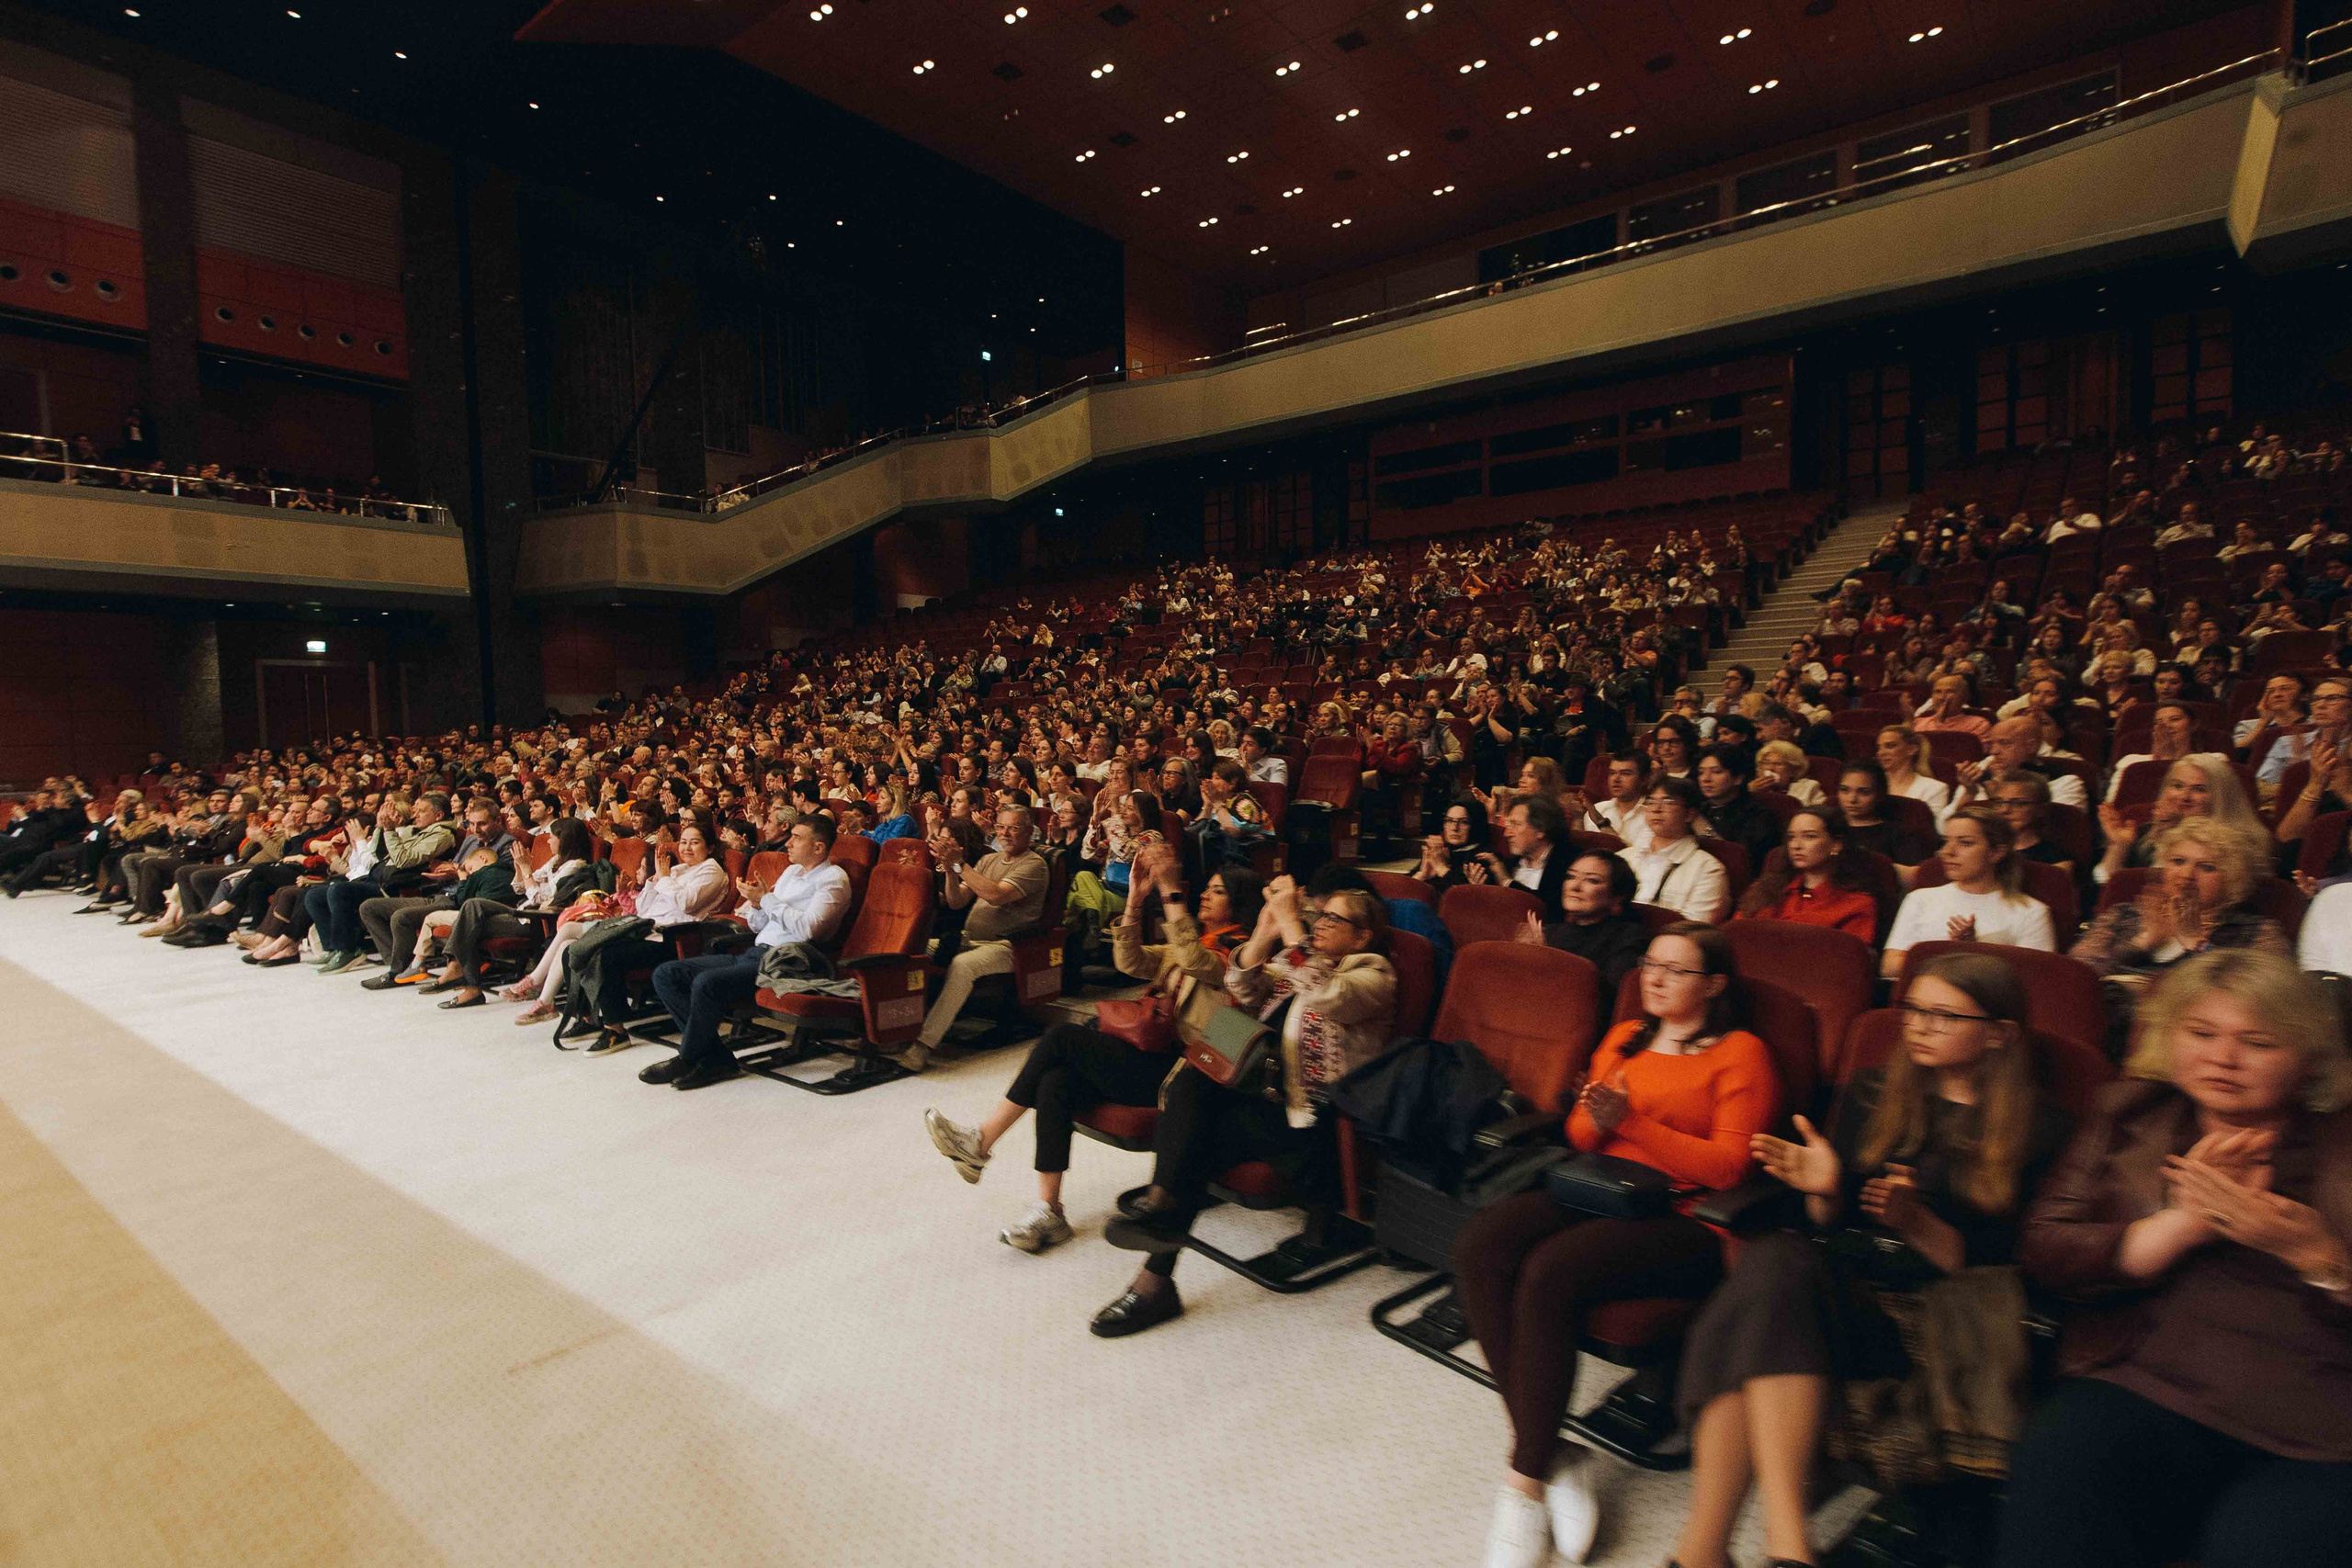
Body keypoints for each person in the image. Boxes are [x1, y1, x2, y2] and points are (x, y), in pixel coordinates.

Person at [1672, 953, 2069, 1568]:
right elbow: (1830, 1227)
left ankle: (1705, 1554)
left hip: (1936, 1318)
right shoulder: (1873, 1090)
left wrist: (1918, 1221)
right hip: (1850, 1289)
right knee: (1777, 1261)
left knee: (1756, 1304)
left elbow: (2019, 1262)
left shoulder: (2041, 1127)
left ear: (2000, 1032)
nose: (1919, 1025)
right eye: (1913, 1008)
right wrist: (1825, 1189)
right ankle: (1783, 1548)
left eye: (1943, 1014)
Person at [1997, 952, 2352, 1568]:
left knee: (2261, 1544)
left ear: (2307, 1057)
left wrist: (2316, 1254)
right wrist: (2178, 1228)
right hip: (2148, 1383)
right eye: (2201, 1033)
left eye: (2258, 1041)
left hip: (2321, 1426)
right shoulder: (2129, 1112)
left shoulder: (2340, 1140)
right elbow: (2045, 1250)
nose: (2222, 1058)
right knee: (2062, 1462)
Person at [1459, 924, 1779, 1568]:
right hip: (1602, 1186)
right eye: (1649, 963)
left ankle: (1524, 1483)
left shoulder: (1741, 1052)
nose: (1653, 978)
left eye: (1675, 969)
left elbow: (1726, 1168)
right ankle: (1553, 1447)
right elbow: (1580, 1136)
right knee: (1479, 1247)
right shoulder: (1624, 1037)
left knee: (1549, 1272)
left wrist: (1631, 1120)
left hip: (1689, 1216)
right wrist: (1599, 1116)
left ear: (1714, 984)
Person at [1092, 880, 1396, 1338]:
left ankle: (1157, 1252)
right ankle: (1158, 1248)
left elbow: (1325, 993)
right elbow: (1241, 989)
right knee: (1196, 1084)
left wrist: (1293, 926)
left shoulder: (1372, 974)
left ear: (1363, 937)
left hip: (1313, 1127)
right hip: (1260, 1100)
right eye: (1320, 916)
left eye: (1334, 919)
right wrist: (1264, 931)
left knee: (1197, 1125)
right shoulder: (1293, 965)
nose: (1321, 925)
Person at [922, 844, 1263, 1252]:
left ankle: (981, 1141)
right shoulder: (1193, 941)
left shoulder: (1243, 956)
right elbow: (1130, 962)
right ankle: (1050, 1210)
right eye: (1205, 889)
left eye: (1218, 891)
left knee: (1061, 1037)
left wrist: (1171, 890)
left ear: (1239, 904)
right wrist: (1136, 899)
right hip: (1153, 1056)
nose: (1205, 895)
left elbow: (1195, 961)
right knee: (1055, 1080)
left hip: (1186, 1077)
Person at [637, 816, 853, 1090]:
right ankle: (715, 1057)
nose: (788, 842)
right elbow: (757, 924)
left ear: (819, 848)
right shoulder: (789, 873)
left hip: (789, 961)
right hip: (756, 952)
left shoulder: (833, 880)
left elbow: (810, 930)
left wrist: (768, 900)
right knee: (667, 973)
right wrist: (757, 905)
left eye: (797, 838)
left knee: (706, 983)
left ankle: (688, 1057)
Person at [893, 804, 1051, 1073]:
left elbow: (996, 895)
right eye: (1001, 827)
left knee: (963, 966)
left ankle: (922, 1045)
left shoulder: (1034, 864)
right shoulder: (988, 861)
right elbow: (956, 902)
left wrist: (959, 864)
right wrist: (950, 871)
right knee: (908, 948)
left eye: (1014, 828)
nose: (1006, 834)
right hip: (970, 939)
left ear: (1030, 832)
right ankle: (892, 1029)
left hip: (1010, 946)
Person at [2070, 817, 2290, 995]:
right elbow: (2074, 979)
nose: (2186, 876)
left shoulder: (2257, 932)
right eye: (2178, 862)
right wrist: (2141, 944)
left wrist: (2196, 943)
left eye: (2206, 867)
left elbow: (2265, 997)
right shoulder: (2123, 914)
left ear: (2233, 879)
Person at [569, 823, 737, 1055]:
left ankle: (615, 1030)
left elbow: (686, 903)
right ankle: (588, 1018)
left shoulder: (712, 871)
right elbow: (642, 907)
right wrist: (655, 880)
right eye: (684, 842)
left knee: (607, 956)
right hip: (645, 929)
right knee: (582, 948)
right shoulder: (677, 870)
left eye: (695, 842)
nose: (687, 848)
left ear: (710, 847)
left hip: (676, 939)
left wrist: (665, 878)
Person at [1882, 806, 2057, 977]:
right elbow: (1889, 967)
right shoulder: (1920, 899)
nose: (1947, 852)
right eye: (1945, 841)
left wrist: (1973, 951)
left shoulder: (2032, 912)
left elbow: (2036, 979)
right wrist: (1954, 954)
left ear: (1996, 853)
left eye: (1965, 843)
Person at [2095, 755, 2261, 886]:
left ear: (2220, 796)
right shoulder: (2145, 833)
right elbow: (2107, 886)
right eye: (2178, 786)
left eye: (2199, 789)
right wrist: (2119, 847)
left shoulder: (2240, 844)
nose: (2184, 797)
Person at [1735, 808, 1880, 941]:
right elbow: (1735, 935)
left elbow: (1849, 960)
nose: (1796, 845)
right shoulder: (1766, 887)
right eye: (1791, 837)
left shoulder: (1857, 903)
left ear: (1836, 844)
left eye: (1809, 837)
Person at [1514, 850, 1648, 992]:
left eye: (1592, 880)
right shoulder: (1550, 932)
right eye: (1571, 877)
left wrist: (1549, 960)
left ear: (1617, 897)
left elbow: (1607, 997)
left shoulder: (1630, 937)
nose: (1574, 887)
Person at [1618, 775, 1728, 922]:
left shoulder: (1707, 869)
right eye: (1650, 802)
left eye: (1668, 802)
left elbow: (1693, 929)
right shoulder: (1623, 858)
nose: (1656, 809)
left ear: (1689, 814)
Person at [1838, 761, 1935, 881]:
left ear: (1880, 794)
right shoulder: (1826, 826)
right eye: (1845, 790)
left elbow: (1916, 876)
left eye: (1864, 792)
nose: (1852, 799)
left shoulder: (1899, 834)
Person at [1694, 744, 1778, 880]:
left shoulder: (1758, 815)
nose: (1705, 778)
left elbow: (1736, 863)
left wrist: (1698, 823)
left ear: (1738, 778)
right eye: (1701, 772)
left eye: (1716, 772)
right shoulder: (1699, 808)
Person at [1877, 725, 1953, 827]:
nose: (1881, 752)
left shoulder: (1935, 788)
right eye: (1879, 747)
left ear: (1912, 749)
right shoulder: (1872, 782)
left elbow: (1932, 830)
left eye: (1890, 746)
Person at [1415, 796, 1487, 891]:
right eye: (1449, 821)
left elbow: (1464, 897)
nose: (1454, 828)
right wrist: (1422, 875)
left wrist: (1442, 868)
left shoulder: (1485, 857)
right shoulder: (1440, 852)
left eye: (1464, 822)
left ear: (1476, 826)